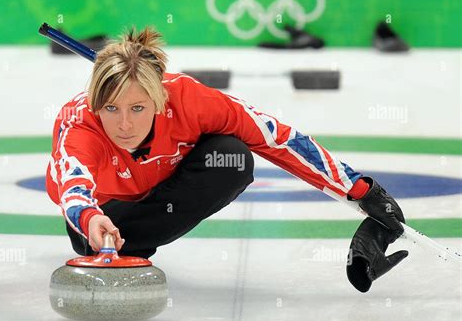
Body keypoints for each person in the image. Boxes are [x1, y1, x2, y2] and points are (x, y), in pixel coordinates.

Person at [46, 26, 408, 293]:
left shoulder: (190, 100)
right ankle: (112, 243)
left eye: (137, 108)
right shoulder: (79, 124)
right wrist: (92, 219)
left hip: (157, 189)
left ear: (159, 101)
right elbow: (74, 189)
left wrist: (359, 189)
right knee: (91, 227)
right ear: (96, 104)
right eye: (111, 108)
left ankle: (130, 246)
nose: (124, 124)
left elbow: (277, 138)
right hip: (104, 212)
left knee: (232, 158)